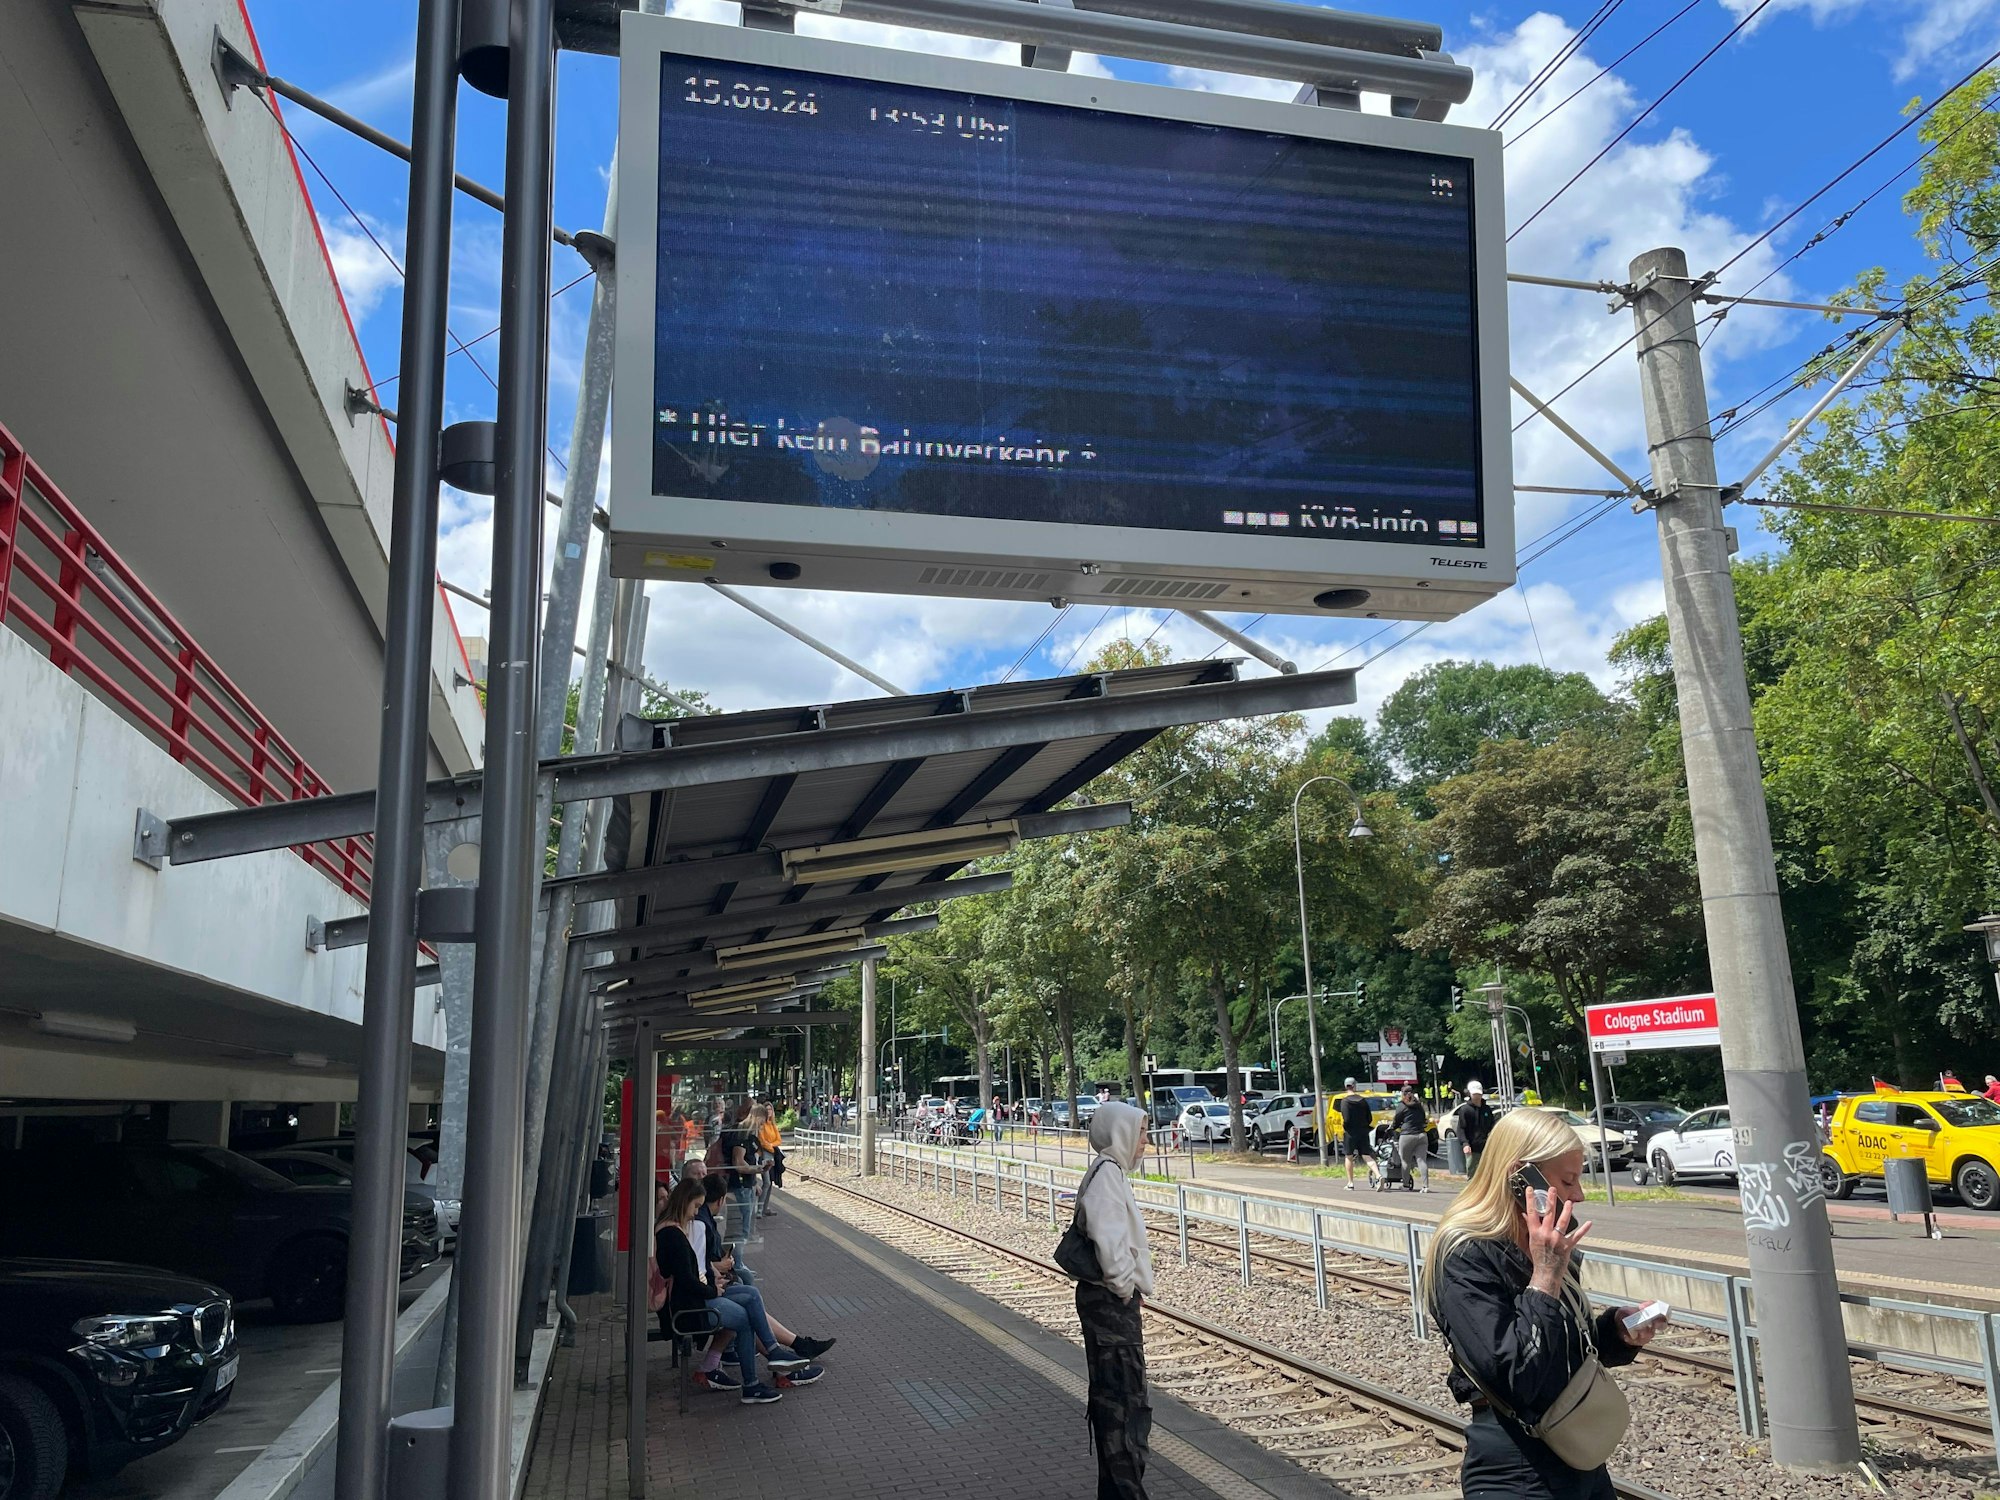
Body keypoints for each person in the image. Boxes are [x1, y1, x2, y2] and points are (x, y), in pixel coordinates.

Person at [1420, 1109, 1659, 1499]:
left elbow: (1558, 1349)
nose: (1578, 1194)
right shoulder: (1465, 1254)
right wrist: (1546, 1275)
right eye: (1567, 1180)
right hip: (1517, 1467)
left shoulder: (1544, 1241)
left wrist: (1615, 1331)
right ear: (1521, 1177)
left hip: (1578, 1454)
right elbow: (1516, 1375)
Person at [1074, 1101, 1155, 1500]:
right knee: (1124, 1409)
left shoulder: (1110, 1173)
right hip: (1111, 1306)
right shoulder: (1107, 1177)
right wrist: (1125, 1289)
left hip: (1108, 1305)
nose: (1145, 1142)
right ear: (1120, 1134)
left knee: (1117, 1407)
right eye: (1140, 1133)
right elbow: (1110, 1246)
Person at [655, 1176, 785, 1405]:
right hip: (690, 1306)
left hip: (692, 1298)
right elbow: (686, 1279)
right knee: (744, 1319)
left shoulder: (672, 1230)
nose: (696, 1213)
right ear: (684, 1202)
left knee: (750, 1294)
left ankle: (773, 1353)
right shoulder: (672, 1235)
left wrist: (712, 1283)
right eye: (695, 1206)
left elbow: (688, 1275)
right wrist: (712, 1291)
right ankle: (752, 1383)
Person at [1392, 1085, 1431, 1193]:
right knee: (1422, 1160)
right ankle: (1425, 1186)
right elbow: (1424, 1118)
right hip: (1422, 1135)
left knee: (1405, 1161)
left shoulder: (1402, 1105)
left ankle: (1405, 1185)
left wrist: (1393, 1127)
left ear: (1403, 1094)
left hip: (1407, 1136)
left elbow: (1396, 1120)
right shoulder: (1419, 1105)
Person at [1338, 1079, 1374, 1191]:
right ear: (1355, 1086)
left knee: (1349, 1156)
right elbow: (1370, 1118)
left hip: (1350, 1133)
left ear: (1345, 1087)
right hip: (1363, 1131)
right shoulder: (1363, 1101)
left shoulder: (1345, 1101)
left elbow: (1346, 1119)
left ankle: (1350, 1183)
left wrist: (1346, 1127)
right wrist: (1364, 1125)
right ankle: (1379, 1175)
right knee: (1367, 1155)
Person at [1455, 1081, 1496, 1178]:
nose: (1477, 1096)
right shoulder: (1465, 1110)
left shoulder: (1487, 1109)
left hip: (1486, 1147)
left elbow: (1492, 1126)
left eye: (1479, 1094)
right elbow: (1461, 1129)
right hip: (1472, 1148)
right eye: (1474, 1094)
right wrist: (1465, 1144)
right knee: (1472, 1173)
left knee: (1488, 1174)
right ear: (1469, 1093)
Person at [755, 1102, 785, 1217]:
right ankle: (759, 1209)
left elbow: (779, 1140)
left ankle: (764, 1207)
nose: (769, 1112)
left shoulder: (772, 1125)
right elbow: (762, 1141)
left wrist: (771, 1145)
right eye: (767, 1110)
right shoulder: (762, 1125)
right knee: (766, 1182)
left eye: (770, 1110)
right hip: (764, 1154)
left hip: (771, 1154)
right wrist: (771, 1147)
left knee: (770, 1182)